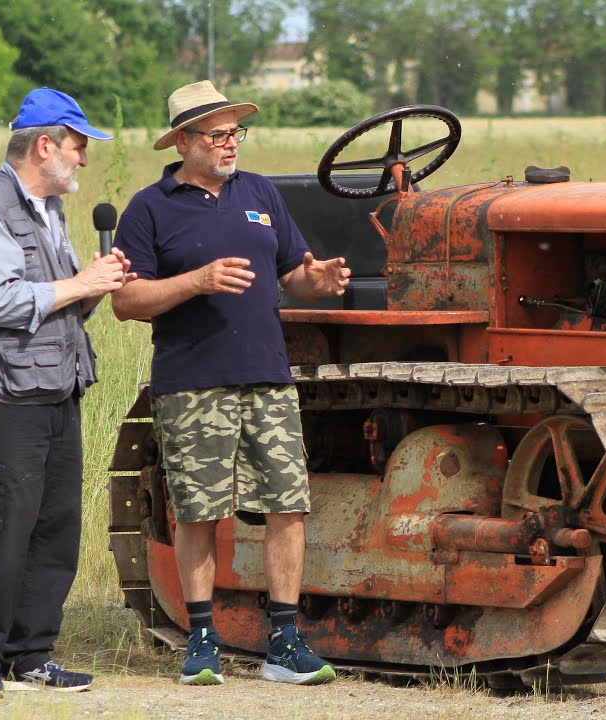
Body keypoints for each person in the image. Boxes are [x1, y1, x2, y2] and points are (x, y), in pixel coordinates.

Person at [111, 81, 350, 687]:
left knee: (287, 506)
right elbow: (128, 300)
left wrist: (317, 279)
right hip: (192, 383)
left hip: (268, 377)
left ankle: (285, 643)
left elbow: (294, 272)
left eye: (235, 133)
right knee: (199, 512)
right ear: (184, 142)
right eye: (216, 135)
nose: (229, 144)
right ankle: (201, 640)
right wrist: (197, 281)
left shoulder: (260, 193)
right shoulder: (150, 207)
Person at [0, 87, 136, 698]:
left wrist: (97, 285)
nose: (83, 159)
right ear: (45, 145)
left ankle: (32, 654)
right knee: (2, 526)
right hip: (4, 396)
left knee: (55, 527)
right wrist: (79, 282)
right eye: (78, 147)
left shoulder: (49, 208)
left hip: (56, 389)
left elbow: (62, 303)